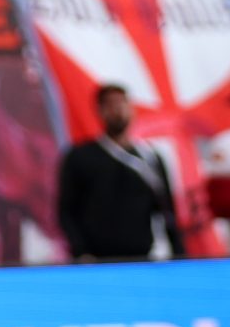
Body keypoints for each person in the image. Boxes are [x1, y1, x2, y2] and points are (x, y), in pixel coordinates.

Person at [56, 83, 185, 262]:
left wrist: (179, 254)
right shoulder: (80, 157)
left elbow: (167, 212)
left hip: (143, 257)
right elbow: (66, 210)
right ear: (100, 111)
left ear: (132, 109)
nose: (117, 109)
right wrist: (81, 252)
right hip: (96, 260)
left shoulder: (150, 158)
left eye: (122, 103)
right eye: (110, 104)